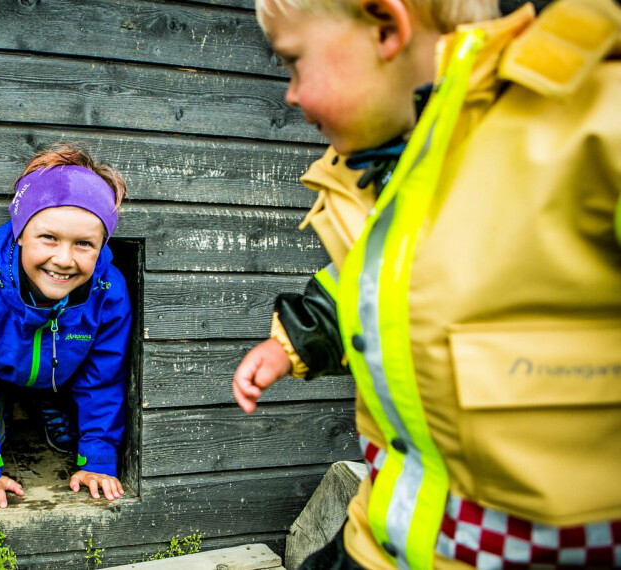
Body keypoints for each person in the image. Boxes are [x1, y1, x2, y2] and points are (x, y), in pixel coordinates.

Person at [232, 0, 621, 568]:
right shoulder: (384, 178)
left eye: (294, 62)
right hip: (382, 541)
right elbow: (372, 286)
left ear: (386, 28)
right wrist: (290, 342)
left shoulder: (583, 123)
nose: (290, 93)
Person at [0, 143, 132, 510]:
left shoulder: (109, 292)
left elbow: (104, 377)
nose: (63, 259)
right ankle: (12, 409)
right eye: (48, 237)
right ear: (20, 233)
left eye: (84, 244)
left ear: (102, 246)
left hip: (62, 374)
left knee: (73, 417)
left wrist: (98, 460)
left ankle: (47, 403)